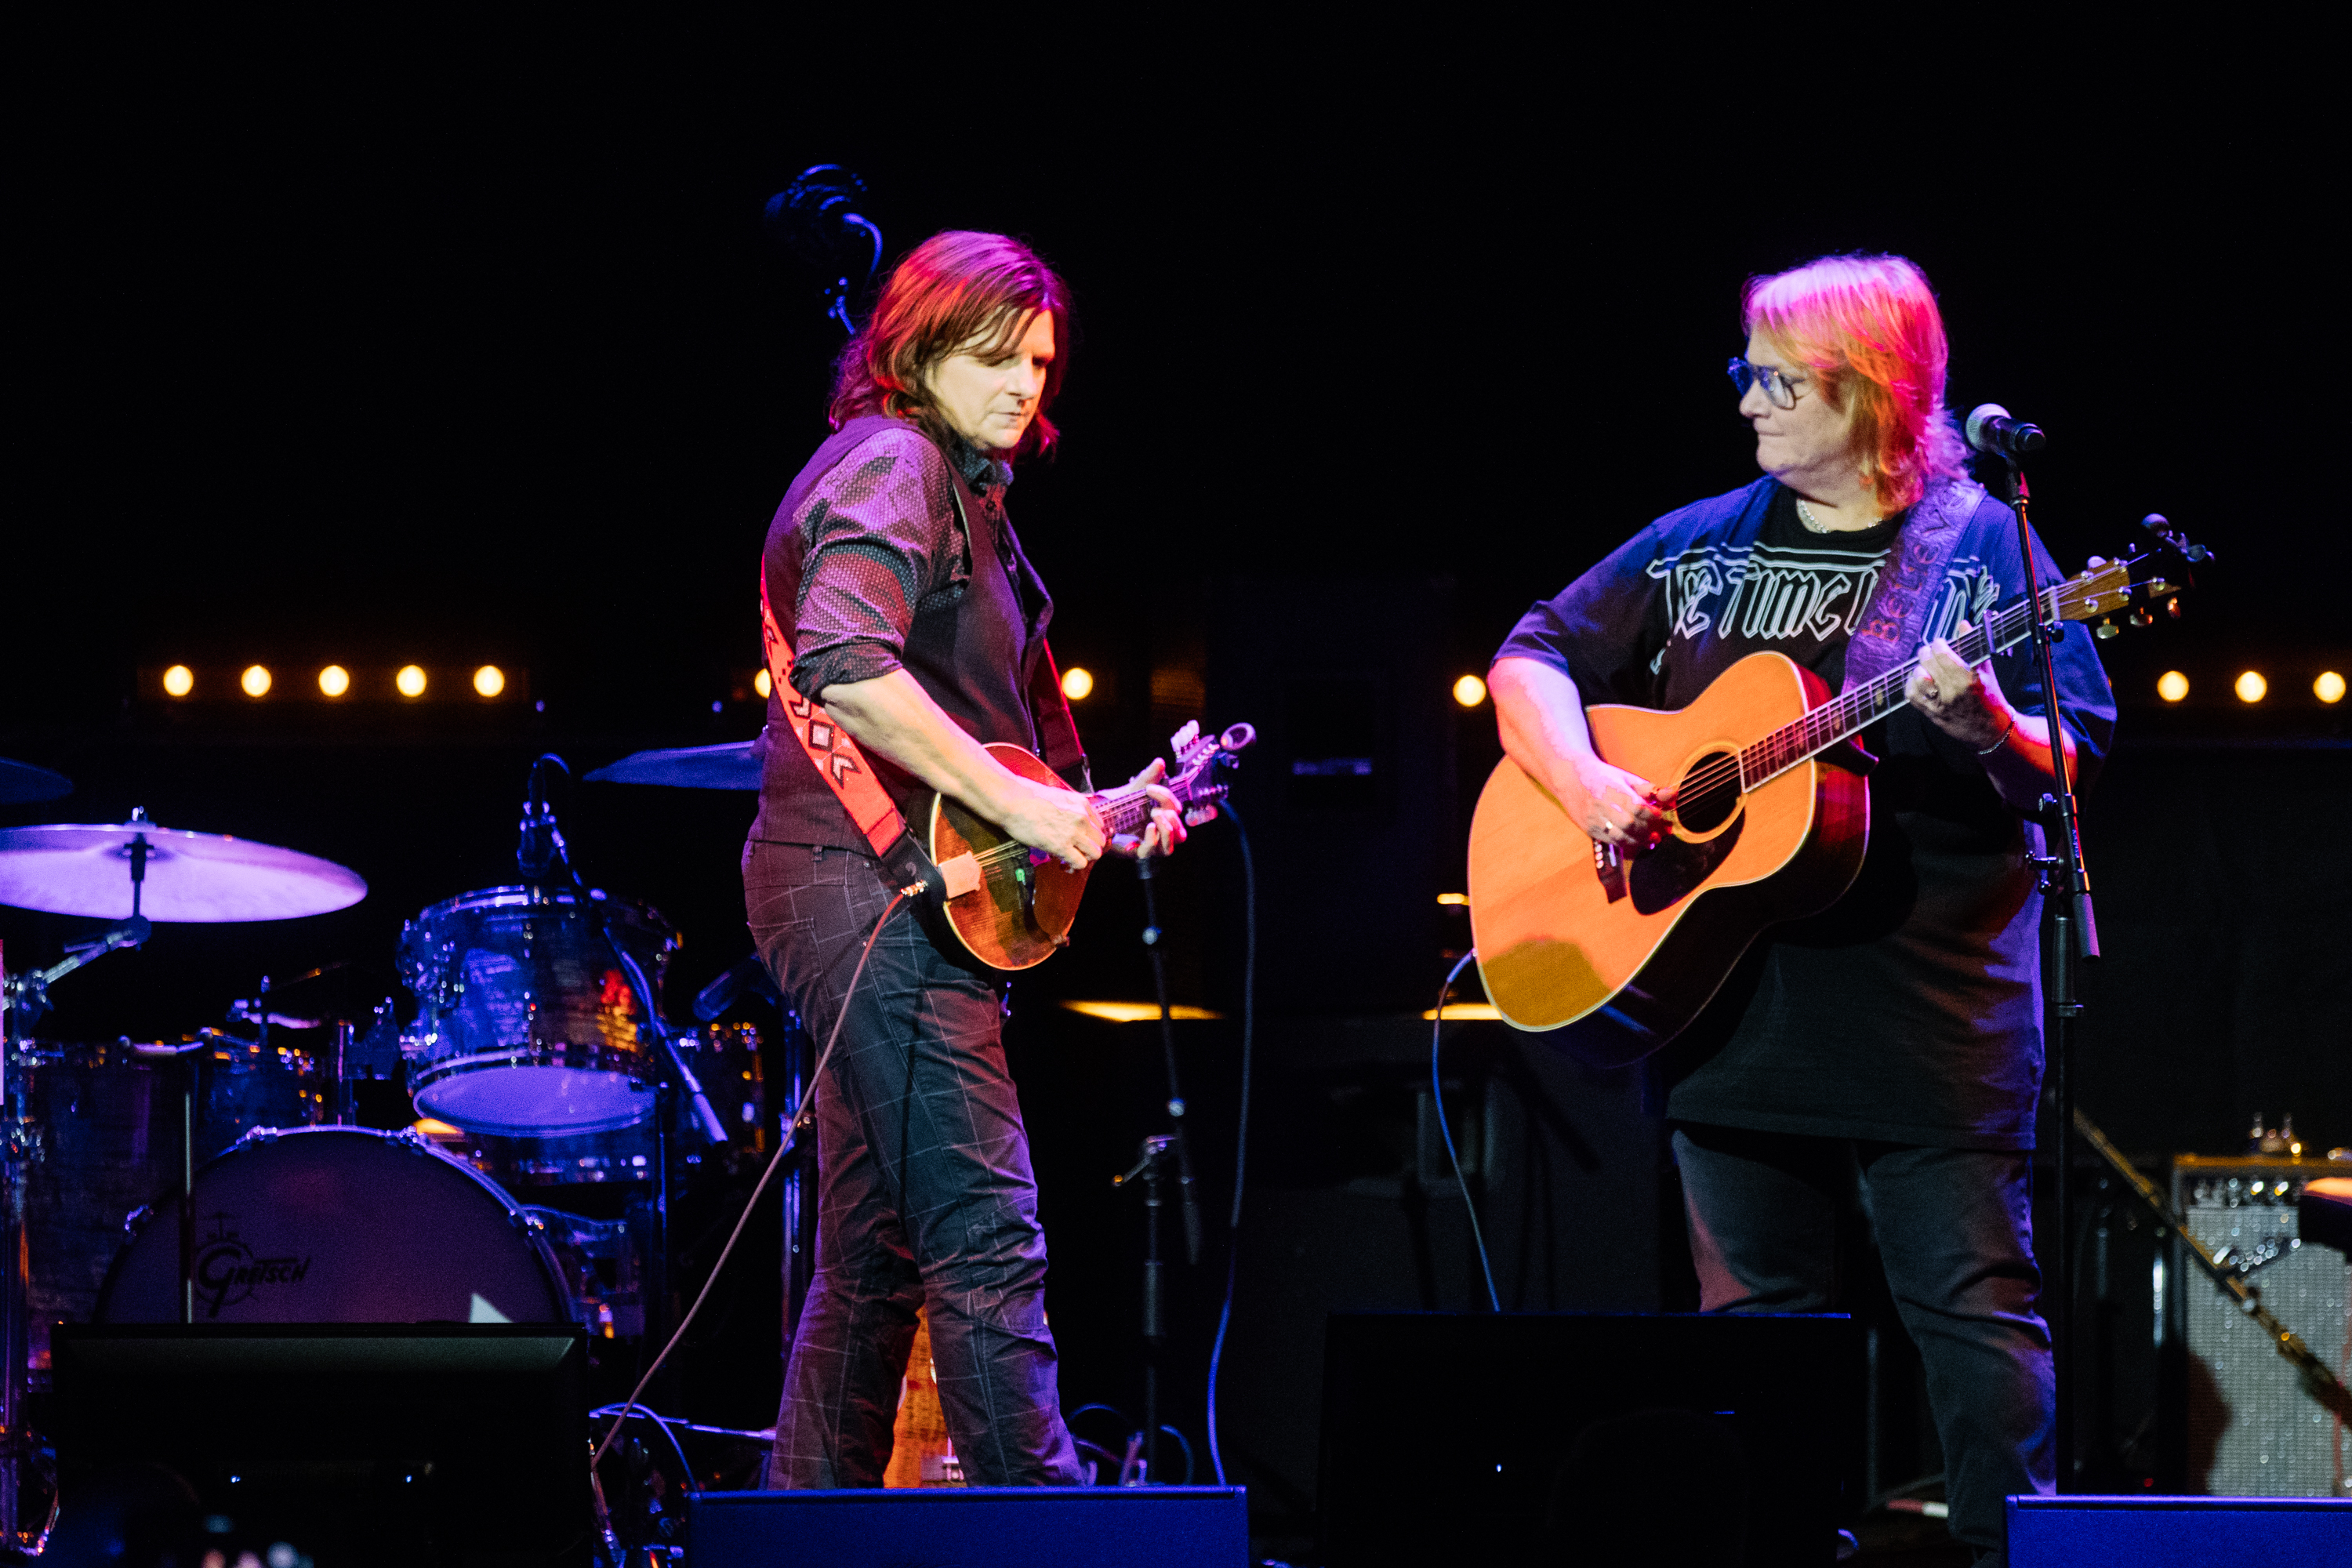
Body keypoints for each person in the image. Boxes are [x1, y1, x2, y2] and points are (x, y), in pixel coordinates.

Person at [1488, 253, 2115, 1565]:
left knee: (1972, 1318)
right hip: (1727, 1007)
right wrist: (1588, 778)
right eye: (1747, 374)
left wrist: (1988, 719)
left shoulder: (1986, 543)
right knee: (1755, 1340)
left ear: (1871, 392)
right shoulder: (1703, 538)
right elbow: (1532, 652)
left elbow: (2070, 765)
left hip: (1930, 1018)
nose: (1749, 405)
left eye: (1777, 381)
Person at [744, 230, 1189, 1488]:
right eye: (992, 356)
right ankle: (1047, 1531)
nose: (1022, 384)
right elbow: (844, 659)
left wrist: (1102, 809)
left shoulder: (961, 493)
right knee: (985, 1238)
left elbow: (1007, 752)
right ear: (917, 347)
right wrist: (1019, 801)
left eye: (1040, 362)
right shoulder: (895, 462)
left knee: (873, 1258)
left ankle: (805, 1533)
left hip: (860, 886)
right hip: (866, 887)